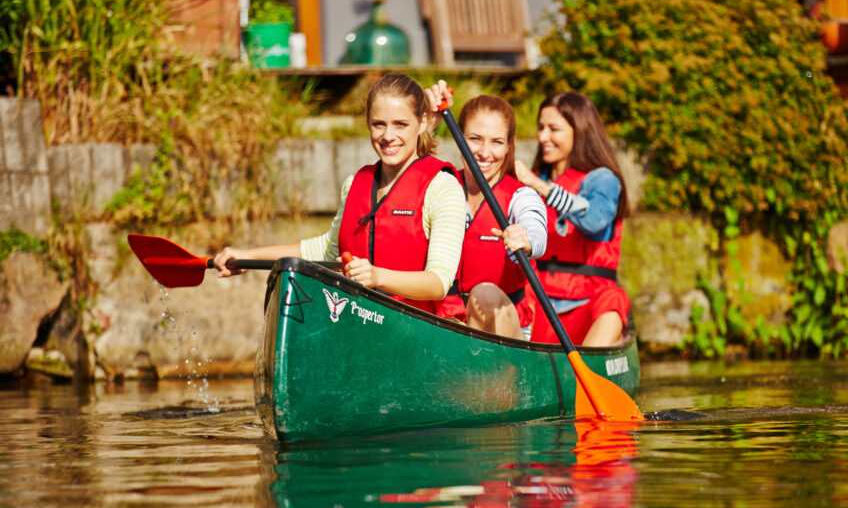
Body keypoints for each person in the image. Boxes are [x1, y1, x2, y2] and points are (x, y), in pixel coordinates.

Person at [212, 73, 466, 314]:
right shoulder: (355, 183)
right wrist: (248, 256)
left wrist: (378, 277)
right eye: (379, 124)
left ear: (423, 122)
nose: (389, 136)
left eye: (401, 124)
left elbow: (438, 282)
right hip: (361, 319)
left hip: (418, 325)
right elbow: (323, 248)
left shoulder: (442, 188)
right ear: (368, 123)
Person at [425, 84, 547, 339]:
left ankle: (503, 376)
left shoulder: (521, 197)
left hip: (501, 321)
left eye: (496, 142)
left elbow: (536, 231)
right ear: (460, 139)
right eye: (474, 139)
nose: (484, 152)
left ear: (508, 147)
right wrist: (427, 123)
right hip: (446, 318)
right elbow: (410, 165)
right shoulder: (440, 187)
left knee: (485, 294)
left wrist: (526, 240)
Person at [514, 91, 631, 347]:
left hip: (588, 305)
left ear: (580, 131)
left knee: (615, 299)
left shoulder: (602, 179)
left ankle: (585, 377)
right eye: (541, 128)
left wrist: (540, 186)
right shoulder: (529, 181)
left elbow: (594, 220)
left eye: (553, 129)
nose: (543, 137)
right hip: (540, 305)